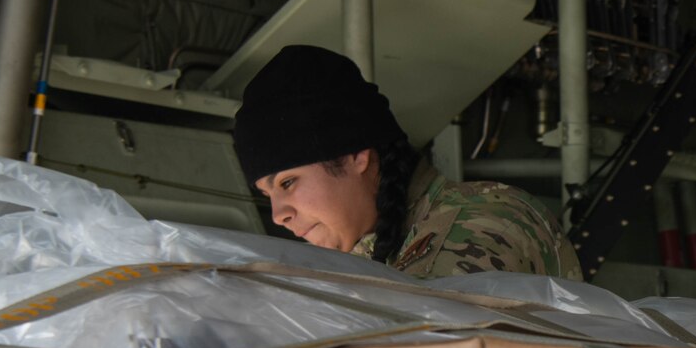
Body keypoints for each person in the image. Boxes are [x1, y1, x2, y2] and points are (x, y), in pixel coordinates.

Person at [230, 44, 582, 280]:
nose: (278, 215)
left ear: (356, 156)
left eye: (287, 182)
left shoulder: (479, 223)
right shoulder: (366, 255)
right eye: (267, 195)